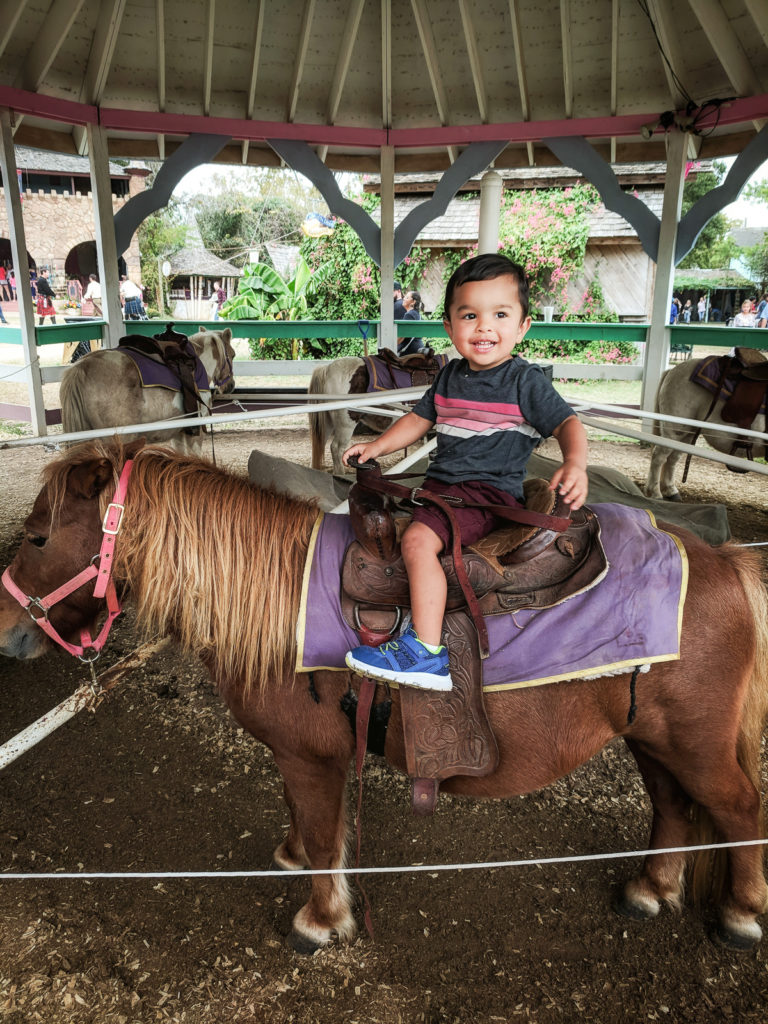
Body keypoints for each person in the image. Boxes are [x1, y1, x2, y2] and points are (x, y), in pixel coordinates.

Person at [343, 253, 588, 691]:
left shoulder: (525, 382)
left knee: (417, 541)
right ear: (449, 327)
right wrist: (377, 445)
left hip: (487, 495)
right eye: (470, 315)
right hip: (443, 489)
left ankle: (426, 652)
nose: (484, 327)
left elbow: (567, 423)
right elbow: (419, 420)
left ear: (523, 325)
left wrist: (574, 462)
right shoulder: (449, 376)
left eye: (500, 314)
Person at [397, 290, 427, 356]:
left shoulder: (409, 315)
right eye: (404, 297)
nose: (404, 299)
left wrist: (391, 344)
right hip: (418, 348)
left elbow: (401, 336)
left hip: (409, 351)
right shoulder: (417, 314)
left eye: (407, 298)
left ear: (413, 302)